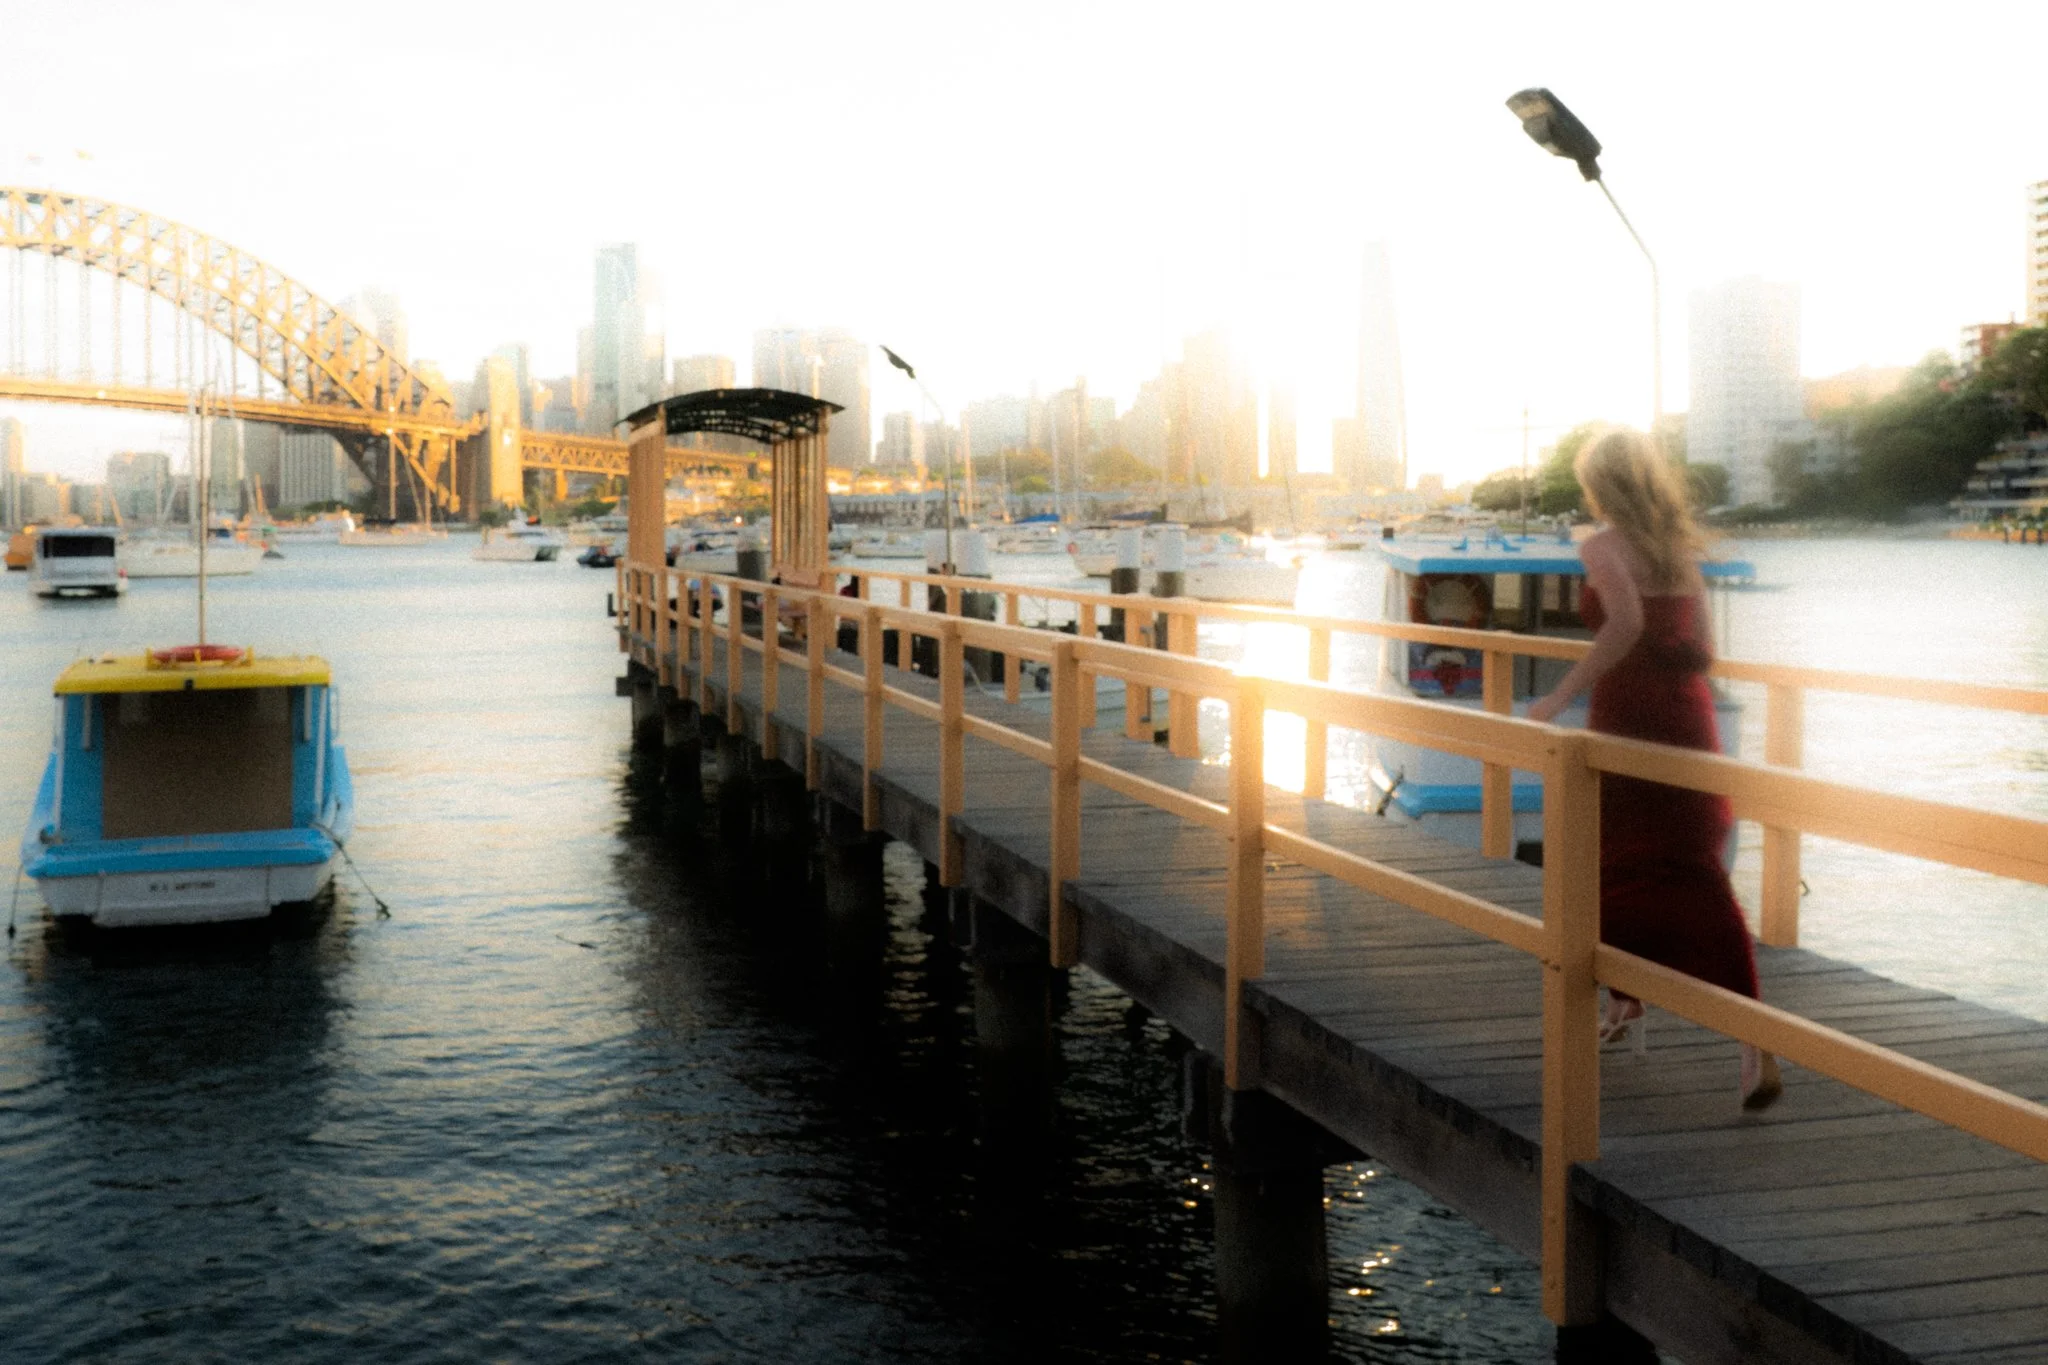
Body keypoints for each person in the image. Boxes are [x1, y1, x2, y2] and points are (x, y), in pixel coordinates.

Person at [1528, 428, 1782, 1112]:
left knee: (1609, 862)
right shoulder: (1678, 546)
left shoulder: (1602, 545)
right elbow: (1707, 648)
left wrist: (1557, 695)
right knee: (1696, 867)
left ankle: (1624, 993)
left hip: (1629, 714)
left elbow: (1624, 624)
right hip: (1688, 715)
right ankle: (1748, 1044)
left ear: (1599, 485)